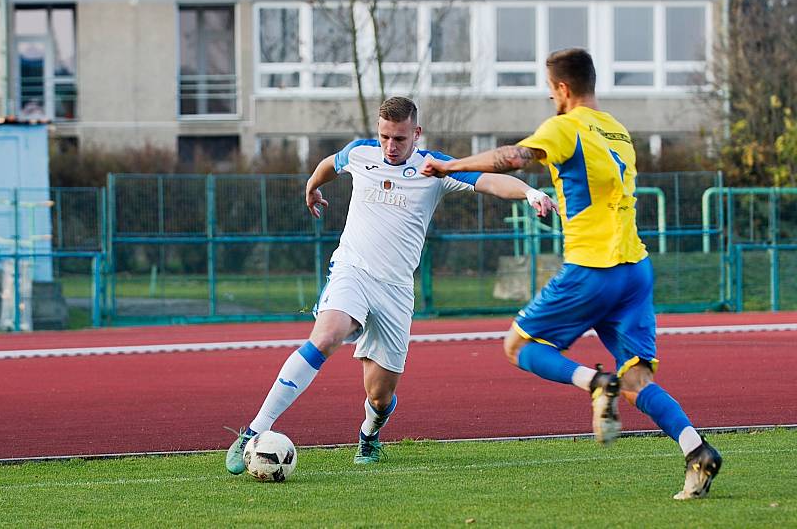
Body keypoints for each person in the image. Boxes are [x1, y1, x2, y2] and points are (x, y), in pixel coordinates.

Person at [420, 49, 722, 500]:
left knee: (517, 345)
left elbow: (514, 157)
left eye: (550, 90)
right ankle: (697, 450)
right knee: (638, 379)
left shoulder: (565, 127)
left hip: (592, 269)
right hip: (635, 270)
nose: (550, 98)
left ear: (562, 89)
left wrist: (450, 165)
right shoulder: (618, 130)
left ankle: (596, 383)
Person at [225, 96, 556, 471]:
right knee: (326, 335)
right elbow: (328, 165)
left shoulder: (435, 167)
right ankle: (254, 431)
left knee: (380, 396)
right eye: (384, 137)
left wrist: (530, 193)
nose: (390, 146)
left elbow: (490, 180)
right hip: (352, 270)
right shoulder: (360, 153)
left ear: (416, 133)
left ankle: (369, 433)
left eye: (399, 138)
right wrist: (312, 185)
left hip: (396, 291)